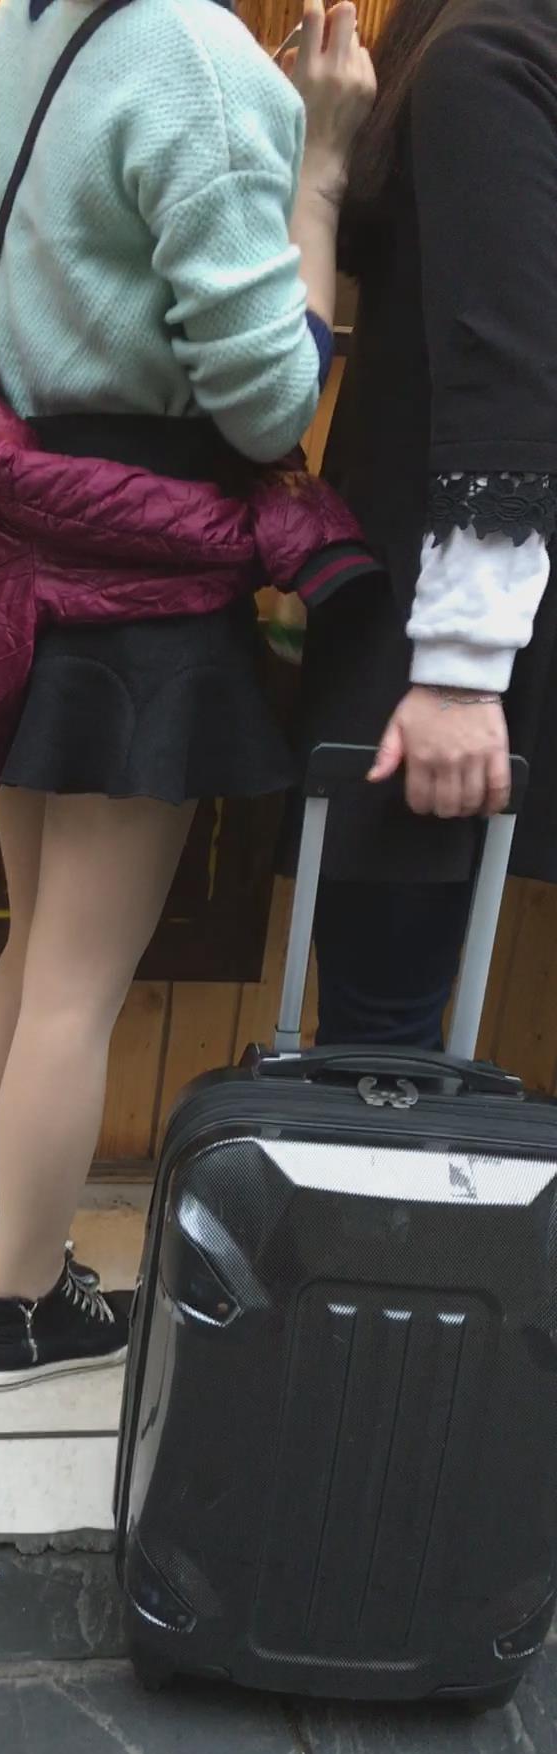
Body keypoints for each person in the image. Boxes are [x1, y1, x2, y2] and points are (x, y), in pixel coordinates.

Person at [0, 0, 375, 1388]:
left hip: (22, 556)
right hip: (144, 585)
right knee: (78, 985)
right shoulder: (193, 59)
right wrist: (322, 169)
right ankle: (23, 1306)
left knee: (37, 947)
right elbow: (270, 405)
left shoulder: (15, 31)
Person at [301, 0, 557, 1048]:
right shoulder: (475, 44)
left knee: (379, 1042)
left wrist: (460, 667)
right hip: (437, 606)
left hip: (441, 629)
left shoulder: (486, 52)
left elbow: (508, 371)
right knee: (384, 1027)